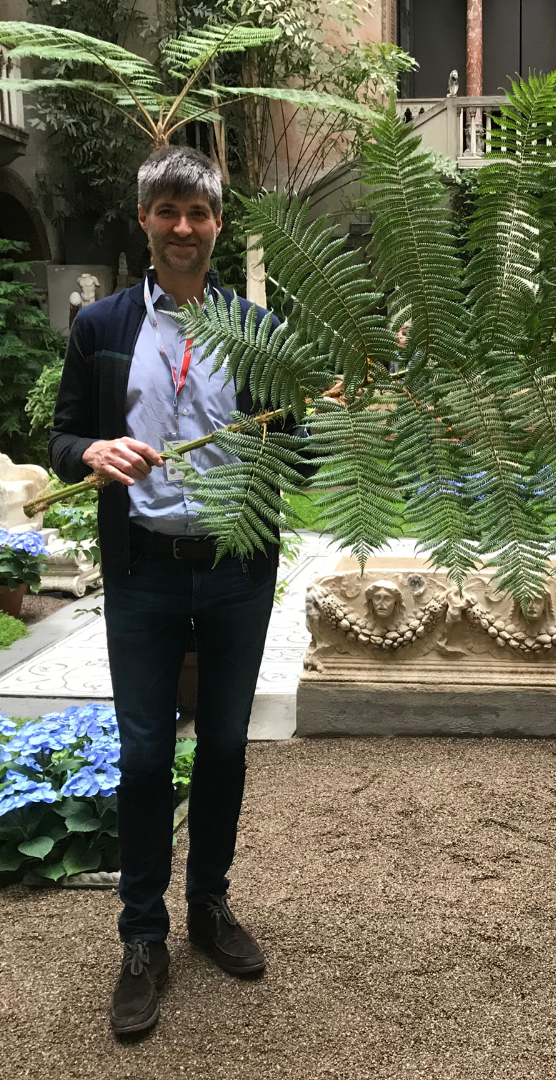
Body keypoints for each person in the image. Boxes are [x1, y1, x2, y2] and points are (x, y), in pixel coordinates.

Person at [50, 145, 303, 1038]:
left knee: (227, 748)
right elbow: (62, 436)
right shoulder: (105, 326)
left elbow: (299, 452)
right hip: (145, 568)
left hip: (237, 568)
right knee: (146, 754)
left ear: (219, 225)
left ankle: (210, 907)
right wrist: (90, 453)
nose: (184, 227)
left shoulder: (257, 331)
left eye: (198, 213)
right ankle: (141, 936)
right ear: (147, 222)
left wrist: (330, 409)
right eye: (168, 210)